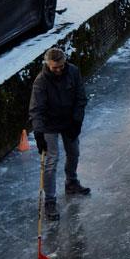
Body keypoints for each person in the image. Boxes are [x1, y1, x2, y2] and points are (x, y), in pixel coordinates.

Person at [29, 47, 90, 221]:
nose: (58, 70)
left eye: (61, 66)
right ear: (48, 64)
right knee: (51, 160)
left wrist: (77, 121)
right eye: (55, 67)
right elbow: (36, 110)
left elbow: (80, 98)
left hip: (69, 121)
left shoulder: (73, 72)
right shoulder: (40, 82)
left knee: (74, 152)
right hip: (49, 125)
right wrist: (39, 133)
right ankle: (50, 200)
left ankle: (71, 182)